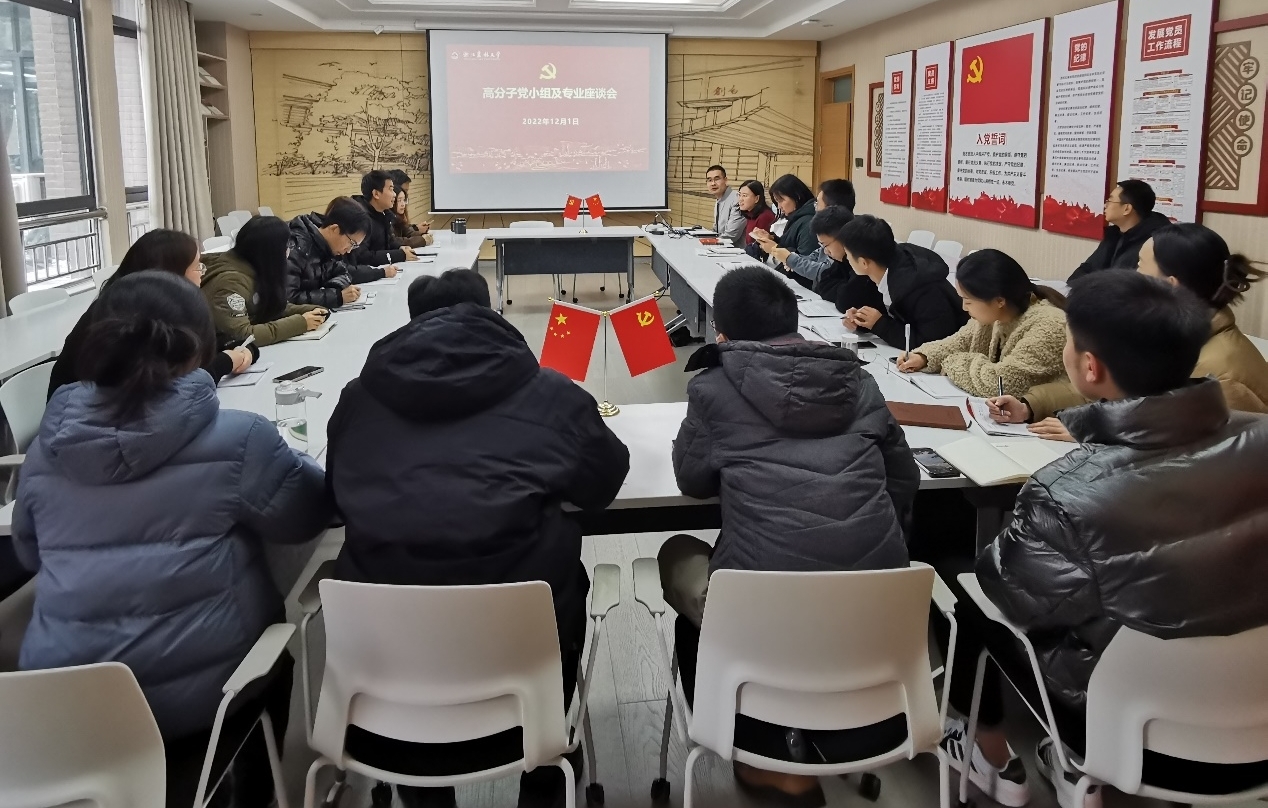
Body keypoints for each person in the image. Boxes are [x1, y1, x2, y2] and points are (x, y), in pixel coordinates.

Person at [939, 271, 1268, 808]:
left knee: (966, 588)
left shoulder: (1066, 493)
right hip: (1256, 721)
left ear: (1089, 367)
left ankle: (988, 752)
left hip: (1127, 730)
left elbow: (1010, 595)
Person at [14, 271, 332, 808]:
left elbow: (29, 553)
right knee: (278, 656)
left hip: (60, 705)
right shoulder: (240, 437)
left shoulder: (48, 446)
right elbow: (308, 515)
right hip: (196, 706)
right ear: (201, 344)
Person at [325, 269, 630, 808]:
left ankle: (420, 783)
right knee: (562, 583)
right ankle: (544, 767)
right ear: (490, 313)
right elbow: (603, 484)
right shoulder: (550, 393)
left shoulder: (357, 399)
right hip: (521, 650)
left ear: (412, 324)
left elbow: (335, 497)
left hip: (389, 663)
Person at [661, 266, 919, 806]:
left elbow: (691, 480)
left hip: (760, 611)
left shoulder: (712, 386)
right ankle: (828, 731)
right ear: (794, 321)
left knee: (677, 555)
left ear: (722, 335)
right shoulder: (858, 380)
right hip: (875, 609)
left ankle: (762, 753)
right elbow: (902, 479)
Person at [992, 223, 1268, 439]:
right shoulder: (1162, 332)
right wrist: (1030, 405)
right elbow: (1110, 384)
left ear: (1170, 285)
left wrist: (1095, 434)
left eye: (1139, 266)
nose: (1131, 275)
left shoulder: (1219, 374)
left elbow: (1198, 457)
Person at [48, 228, 257, 399]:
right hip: (86, 425)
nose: (202, 273)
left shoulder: (173, 307)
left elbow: (222, 340)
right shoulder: (126, 322)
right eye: (197, 267)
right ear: (171, 273)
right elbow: (165, 391)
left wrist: (245, 350)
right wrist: (226, 362)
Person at [896, 250, 1067, 397]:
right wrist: (923, 357)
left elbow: (1002, 383)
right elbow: (958, 342)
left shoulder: (1049, 326)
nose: (964, 308)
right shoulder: (995, 315)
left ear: (999, 300)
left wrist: (951, 362)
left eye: (968, 301)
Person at [836, 214, 967, 347]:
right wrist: (864, 319)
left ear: (863, 263)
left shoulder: (920, 287)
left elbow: (931, 343)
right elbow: (893, 315)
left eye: (848, 255)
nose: (847, 259)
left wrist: (879, 324)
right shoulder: (887, 266)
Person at [202, 215, 330, 346]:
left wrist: (310, 311)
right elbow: (241, 335)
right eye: (286, 245)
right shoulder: (229, 283)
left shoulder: (255, 267)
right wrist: (300, 323)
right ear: (272, 252)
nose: (289, 250)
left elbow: (272, 307)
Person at [752, 179, 856, 284]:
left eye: (818, 204)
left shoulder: (816, 226)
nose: (815, 208)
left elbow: (824, 271)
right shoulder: (798, 218)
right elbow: (813, 256)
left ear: (831, 209)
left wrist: (785, 256)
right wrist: (778, 244)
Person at [1068, 180, 1170, 281]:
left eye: (1110, 201)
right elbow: (1088, 268)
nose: (1105, 206)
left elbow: (1125, 286)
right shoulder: (1114, 234)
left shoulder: (1153, 243)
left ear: (1127, 209)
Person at [286, 196, 372, 308]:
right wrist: (337, 297)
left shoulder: (328, 247)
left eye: (354, 246)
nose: (349, 250)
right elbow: (288, 299)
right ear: (335, 229)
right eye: (351, 243)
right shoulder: (296, 245)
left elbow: (343, 272)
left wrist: (335, 289)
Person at [350, 169, 414, 270]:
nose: (394, 194)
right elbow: (363, 257)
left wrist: (400, 248)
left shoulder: (383, 214)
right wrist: (399, 255)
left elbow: (388, 242)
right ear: (376, 194)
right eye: (390, 189)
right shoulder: (360, 218)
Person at [389, 169, 433, 249]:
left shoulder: (397, 215)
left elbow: (405, 232)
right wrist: (422, 239)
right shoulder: (385, 215)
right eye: (399, 199)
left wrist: (418, 231)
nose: (403, 203)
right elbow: (394, 241)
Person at [707, 164, 745, 243]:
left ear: (725, 180)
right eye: (709, 180)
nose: (713, 183)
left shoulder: (737, 199)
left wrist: (707, 242)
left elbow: (731, 235)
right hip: (720, 245)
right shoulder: (719, 199)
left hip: (734, 248)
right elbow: (716, 230)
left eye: (717, 179)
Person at [736, 179, 776, 248]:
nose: (740, 199)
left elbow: (759, 248)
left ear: (757, 198)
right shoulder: (750, 214)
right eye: (739, 195)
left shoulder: (765, 217)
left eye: (744, 196)